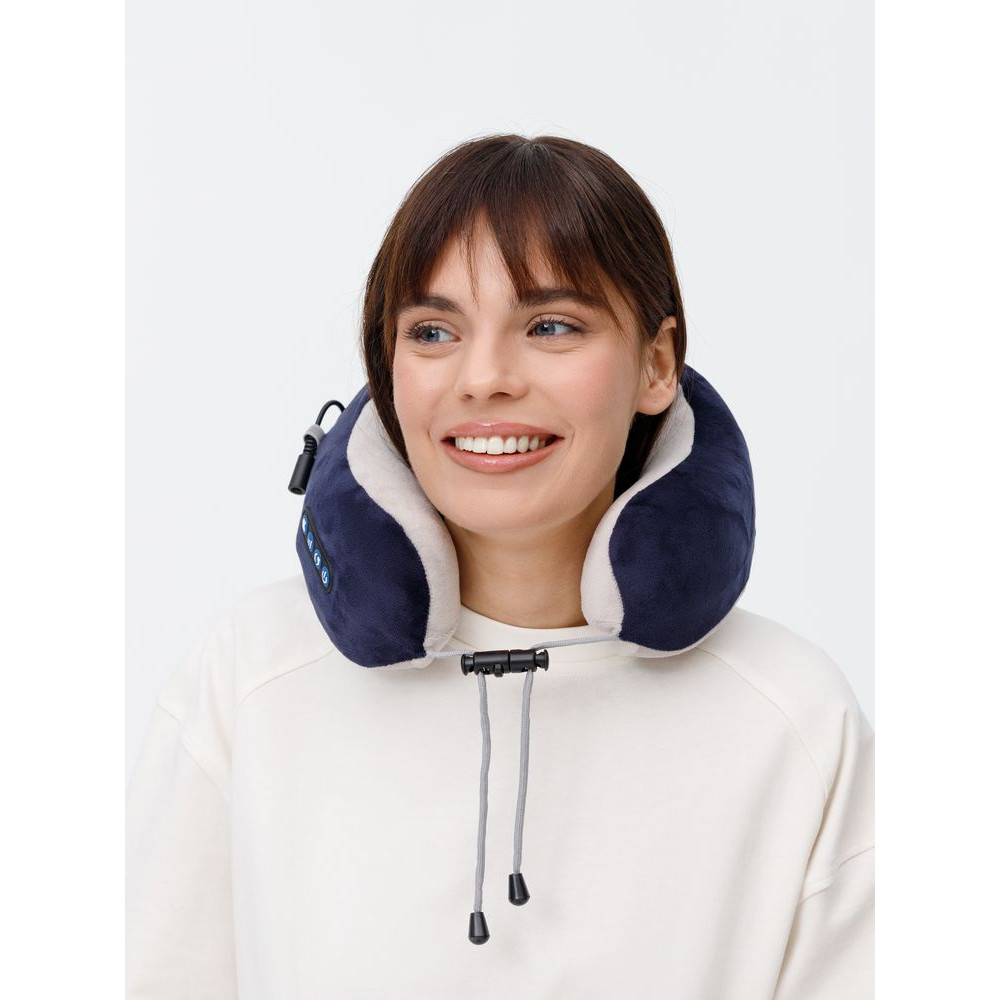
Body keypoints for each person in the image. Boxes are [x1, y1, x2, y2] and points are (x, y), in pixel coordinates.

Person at [126, 134, 874, 998]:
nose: (483, 378)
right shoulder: (253, 675)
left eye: (551, 326)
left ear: (657, 365)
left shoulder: (793, 719)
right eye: (433, 331)